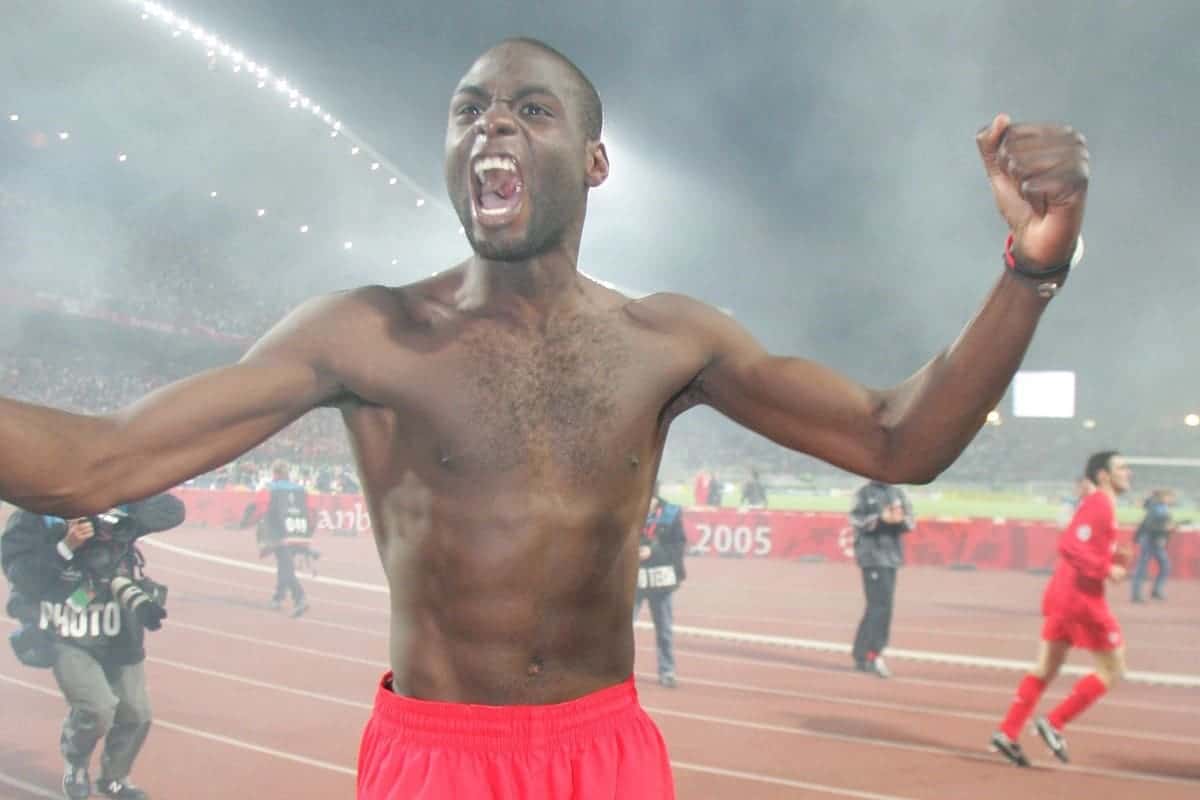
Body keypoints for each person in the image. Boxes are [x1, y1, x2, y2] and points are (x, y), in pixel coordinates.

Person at [0, 37, 1090, 799]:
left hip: (602, 750)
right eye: (470, 109)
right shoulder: (363, 333)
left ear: (594, 161)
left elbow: (901, 439)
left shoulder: (670, 340)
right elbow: (96, 462)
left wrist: (1031, 269)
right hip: (438, 757)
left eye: (531, 109)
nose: (493, 127)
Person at [2, 493, 184, 800]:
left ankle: (114, 777)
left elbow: (173, 510)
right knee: (98, 709)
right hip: (68, 630)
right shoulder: (38, 514)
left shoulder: (119, 507)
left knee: (137, 714)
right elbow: (22, 575)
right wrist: (65, 546)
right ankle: (76, 762)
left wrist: (128, 506)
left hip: (120, 630)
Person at [990, 451, 1132, 767]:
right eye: (1122, 467)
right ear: (1104, 475)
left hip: (1063, 597)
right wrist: (1107, 569)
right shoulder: (1100, 503)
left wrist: (1110, 560)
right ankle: (1054, 722)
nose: (1129, 472)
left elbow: (1082, 547)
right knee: (1113, 669)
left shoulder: (1102, 505)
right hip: (1082, 600)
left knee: (1045, 670)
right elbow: (1070, 544)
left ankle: (1008, 731)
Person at [849, 480, 913, 678]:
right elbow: (855, 519)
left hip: (891, 557)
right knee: (880, 607)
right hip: (872, 556)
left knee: (878, 606)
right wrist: (879, 519)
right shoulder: (863, 492)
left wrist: (899, 519)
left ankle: (862, 653)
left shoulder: (898, 493)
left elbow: (910, 521)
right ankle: (873, 653)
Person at [241, 459, 315, 617]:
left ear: (275, 473)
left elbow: (259, 509)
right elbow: (311, 512)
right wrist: (308, 533)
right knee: (285, 564)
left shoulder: (269, 489)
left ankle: (299, 597)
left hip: (278, 533)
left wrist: (248, 523)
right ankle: (279, 597)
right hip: (298, 533)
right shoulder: (301, 490)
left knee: (285, 566)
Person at [633, 484, 688, 688]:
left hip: (661, 581)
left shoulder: (670, 514)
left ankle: (667, 670)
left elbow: (678, 545)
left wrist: (653, 553)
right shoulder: (630, 511)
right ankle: (617, 674)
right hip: (635, 582)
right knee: (623, 629)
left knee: (664, 630)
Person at [1130, 489, 1175, 602]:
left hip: (1154, 539)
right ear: (1163, 497)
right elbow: (1152, 525)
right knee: (1143, 566)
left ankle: (1156, 590)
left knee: (1164, 566)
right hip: (1151, 539)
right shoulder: (1156, 508)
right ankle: (1136, 594)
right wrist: (1165, 529)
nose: (1171, 499)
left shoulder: (1159, 507)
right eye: (1169, 497)